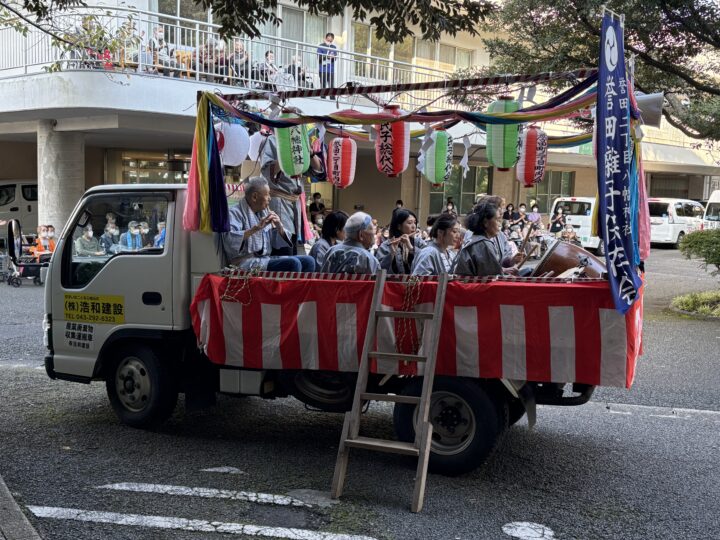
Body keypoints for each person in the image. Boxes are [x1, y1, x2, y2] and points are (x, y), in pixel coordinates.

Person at [222, 177, 315, 272]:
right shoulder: (234, 213)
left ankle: (303, 287)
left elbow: (274, 242)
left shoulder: (264, 212)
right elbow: (229, 241)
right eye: (267, 195)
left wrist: (280, 227)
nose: (270, 199)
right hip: (245, 262)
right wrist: (255, 229)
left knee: (309, 261)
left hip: (264, 259)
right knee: (293, 263)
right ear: (254, 197)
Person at [261, 132, 325, 256]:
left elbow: (317, 171)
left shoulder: (301, 142)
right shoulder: (272, 140)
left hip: (295, 204)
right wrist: (286, 151)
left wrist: (310, 152)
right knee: (282, 247)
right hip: (279, 201)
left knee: (294, 246)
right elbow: (267, 171)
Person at [453, 200, 519, 277]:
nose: (499, 224)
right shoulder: (484, 244)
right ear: (485, 222)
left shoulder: (477, 239)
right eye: (497, 220)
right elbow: (491, 278)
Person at [376, 209, 427, 274]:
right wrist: (391, 254)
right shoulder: (386, 245)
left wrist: (411, 248)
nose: (414, 226)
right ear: (399, 226)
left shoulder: (419, 242)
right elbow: (379, 269)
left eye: (415, 222)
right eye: (410, 223)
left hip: (414, 282)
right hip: (393, 283)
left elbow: (427, 261)